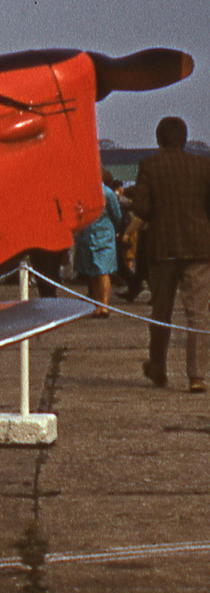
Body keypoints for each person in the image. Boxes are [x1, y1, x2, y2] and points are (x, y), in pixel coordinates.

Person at [128, 117, 210, 391]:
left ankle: (158, 369)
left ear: (159, 139)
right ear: (185, 139)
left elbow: (142, 208)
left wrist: (128, 233)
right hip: (199, 248)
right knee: (198, 313)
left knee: (161, 312)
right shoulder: (204, 165)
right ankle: (197, 375)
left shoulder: (149, 166)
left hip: (163, 249)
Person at [72, 169, 123, 317]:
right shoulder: (105, 192)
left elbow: (116, 214)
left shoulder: (103, 193)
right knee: (95, 271)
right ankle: (99, 304)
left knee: (100, 270)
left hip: (95, 234)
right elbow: (117, 216)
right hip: (96, 234)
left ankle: (103, 304)